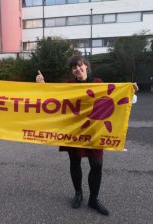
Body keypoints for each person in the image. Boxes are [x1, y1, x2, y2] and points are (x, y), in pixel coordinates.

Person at [36, 55, 139, 216]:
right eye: (74, 67)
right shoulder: (69, 85)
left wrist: (130, 90)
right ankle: (78, 193)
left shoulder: (98, 83)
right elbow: (52, 96)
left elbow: (116, 96)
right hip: (74, 130)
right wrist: (42, 85)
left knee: (97, 164)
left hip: (94, 131)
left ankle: (93, 199)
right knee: (74, 161)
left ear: (86, 66)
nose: (77, 69)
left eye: (80, 65)